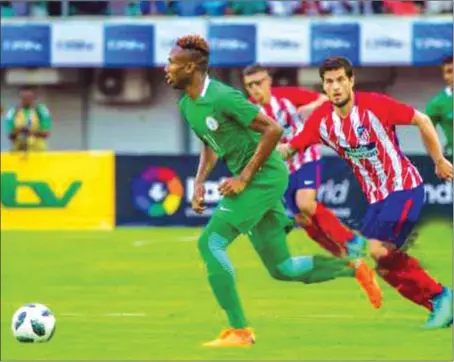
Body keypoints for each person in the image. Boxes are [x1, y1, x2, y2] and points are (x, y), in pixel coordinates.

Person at [165, 35, 382, 347]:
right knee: (283, 269)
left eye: (172, 63)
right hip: (257, 178)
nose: (166, 68)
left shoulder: (223, 96)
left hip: (264, 177)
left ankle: (240, 331)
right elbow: (210, 146)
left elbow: (274, 129)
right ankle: (354, 267)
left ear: (190, 68)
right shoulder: (187, 104)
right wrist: (199, 181)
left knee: (210, 243)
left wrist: (243, 177)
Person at [280, 56, 453, 329]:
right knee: (382, 265)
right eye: (329, 82)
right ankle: (437, 305)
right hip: (376, 200)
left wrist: (439, 160)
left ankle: (441, 295)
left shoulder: (375, 105)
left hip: (404, 188)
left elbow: (422, 120)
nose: (335, 87)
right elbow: (288, 149)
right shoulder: (321, 121)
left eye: (340, 80)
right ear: (323, 87)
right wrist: (255, 157)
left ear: (351, 81)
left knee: (378, 250)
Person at [243, 64, 367, 258]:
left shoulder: (286, 96)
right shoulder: (249, 110)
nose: (254, 89)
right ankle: (340, 253)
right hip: (283, 168)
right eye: (249, 85)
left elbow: (325, 100)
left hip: (305, 156)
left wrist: (308, 108)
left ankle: (351, 240)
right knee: (302, 219)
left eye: (258, 83)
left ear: (268, 81)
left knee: (306, 204)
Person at [4, 86, 52, 152]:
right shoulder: (12, 112)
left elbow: (45, 134)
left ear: (34, 98)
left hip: (38, 151)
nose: (26, 100)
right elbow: (10, 135)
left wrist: (29, 131)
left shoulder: (42, 111)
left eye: (29, 97)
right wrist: (19, 131)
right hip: (18, 150)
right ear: (20, 98)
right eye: (24, 98)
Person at [426, 55, 453, 158]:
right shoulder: (436, 103)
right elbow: (426, 133)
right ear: (445, 76)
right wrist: (438, 160)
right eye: (449, 71)